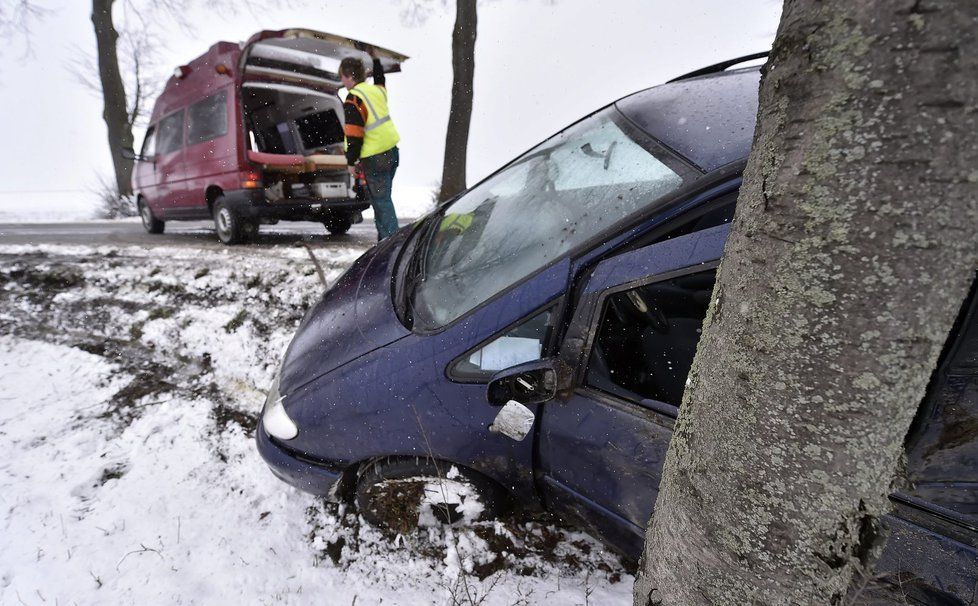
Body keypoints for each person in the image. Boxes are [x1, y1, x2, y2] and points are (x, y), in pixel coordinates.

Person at [339, 52, 401, 241]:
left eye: (342, 76)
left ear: (349, 77)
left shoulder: (353, 100)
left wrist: (351, 161)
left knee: (381, 202)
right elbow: (381, 80)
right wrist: (376, 60)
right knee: (383, 199)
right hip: (392, 152)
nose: (341, 80)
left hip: (375, 157)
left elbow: (354, 136)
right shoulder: (377, 91)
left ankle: (392, 243)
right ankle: (385, 240)